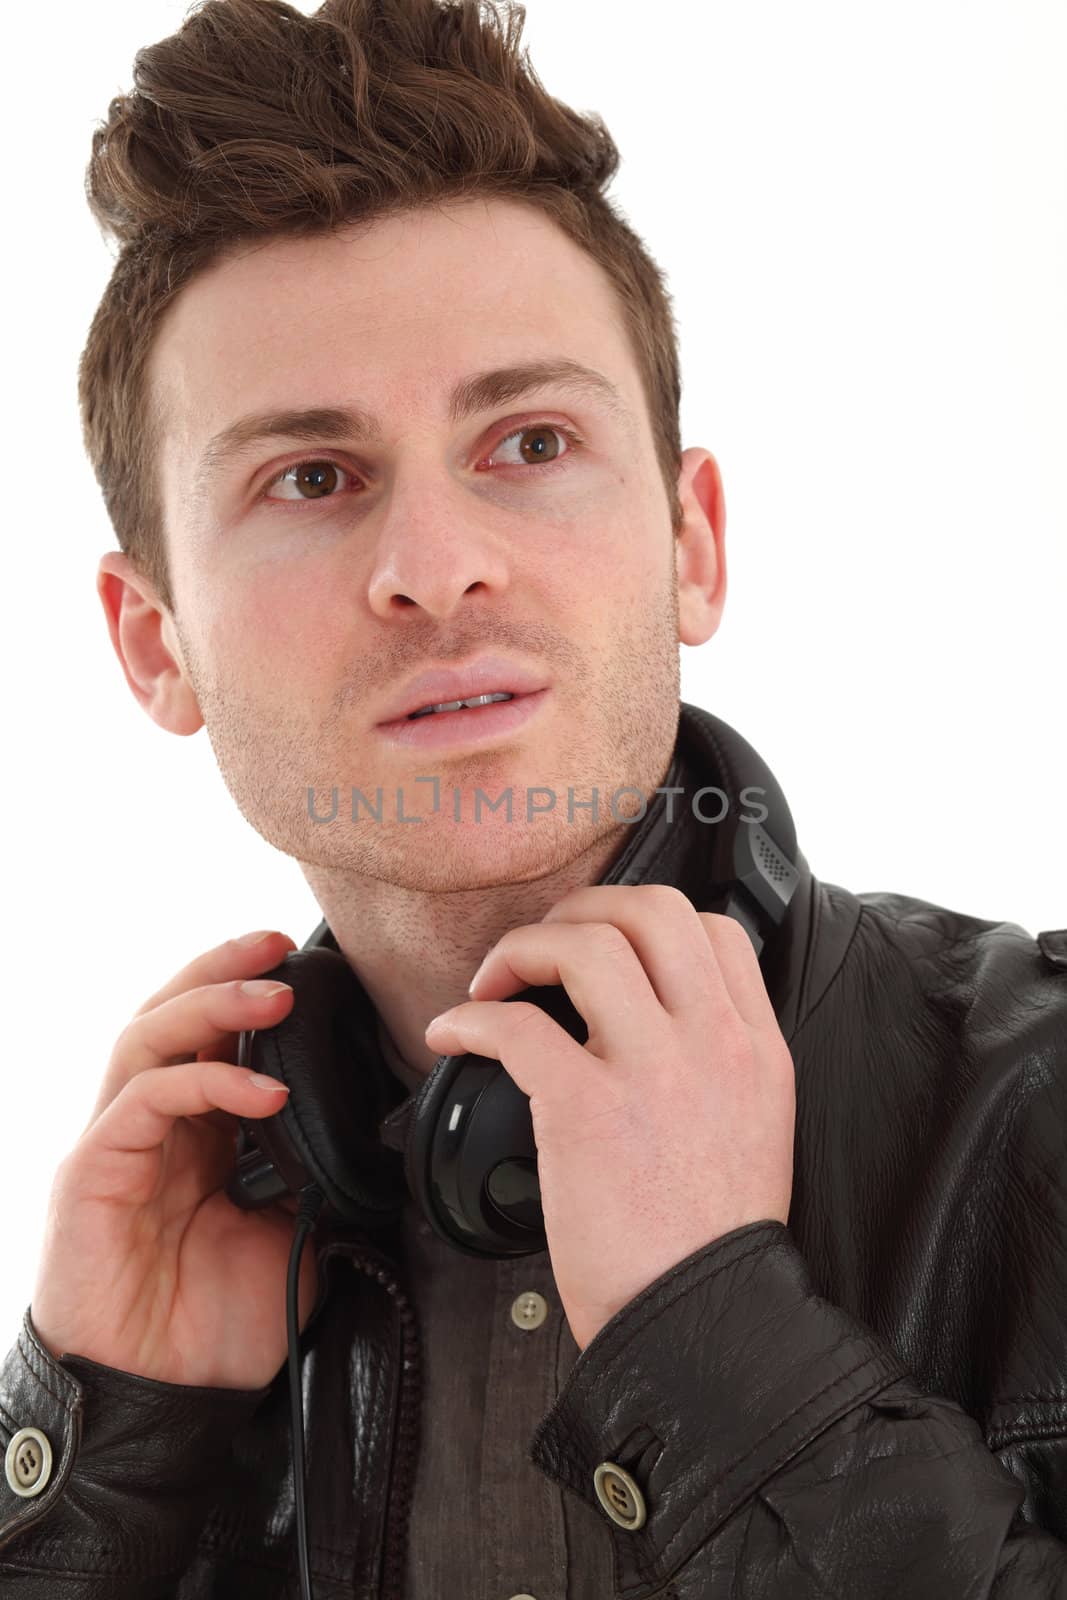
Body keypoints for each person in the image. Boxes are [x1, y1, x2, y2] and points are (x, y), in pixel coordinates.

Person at [1, 0, 1065, 1595]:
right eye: (311, 476)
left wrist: (726, 1350)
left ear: (693, 543)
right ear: (157, 645)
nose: (437, 570)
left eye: (530, 439)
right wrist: (112, 1469)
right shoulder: (185, 1262)